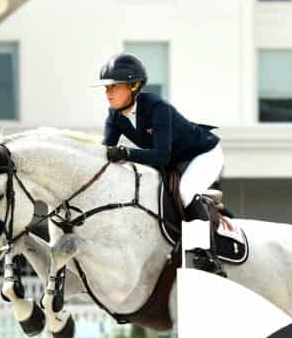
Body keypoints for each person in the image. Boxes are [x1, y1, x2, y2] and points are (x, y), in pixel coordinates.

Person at [93, 52, 225, 275]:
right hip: (174, 160)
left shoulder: (157, 107)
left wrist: (125, 153)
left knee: (185, 191)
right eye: (106, 88)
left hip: (203, 154)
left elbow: (161, 156)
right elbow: (105, 152)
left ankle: (207, 256)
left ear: (134, 86)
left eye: (114, 86)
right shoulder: (114, 115)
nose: (108, 92)